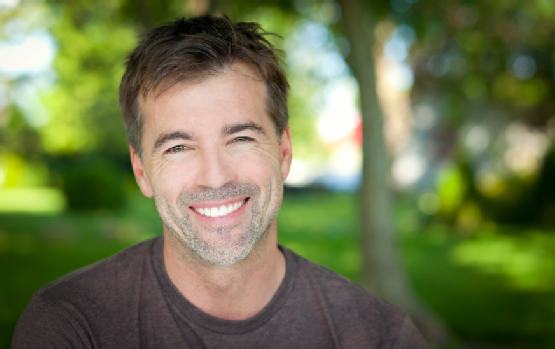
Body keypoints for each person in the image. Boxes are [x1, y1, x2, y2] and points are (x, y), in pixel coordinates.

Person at [12, 15, 428, 348]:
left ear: (283, 152)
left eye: (240, 138)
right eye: (178, 147)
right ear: (142, 171)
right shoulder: (70, 325)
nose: (215, 177)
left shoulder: (380, 336)